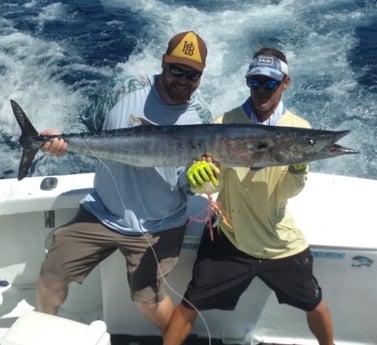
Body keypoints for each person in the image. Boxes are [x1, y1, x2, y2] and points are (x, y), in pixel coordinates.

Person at [35, 31, 220, 340]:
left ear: (201, 76)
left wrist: (196, 179)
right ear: (163, 63)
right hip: (102, 212)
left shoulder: (201, 119)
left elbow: (187, 184)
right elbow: (86, 126)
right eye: (176, 70)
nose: (183, 80)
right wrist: (62, 140)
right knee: (49, 278)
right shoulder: (122, 89)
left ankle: (180, 341)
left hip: (160, 224)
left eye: (193, 74)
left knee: (147, 300)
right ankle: (43, 335)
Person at [164, 48, 335, 345]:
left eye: (269, 83)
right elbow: (214, 183)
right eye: (255, 82)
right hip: (229, 235)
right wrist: (200, 176)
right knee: (189, 306)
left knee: (314, 303)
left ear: (285, 83)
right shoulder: (223, 122)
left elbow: (288, 191)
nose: (261, 90)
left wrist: (297, 168)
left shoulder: (299, 130)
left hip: (277, 241)